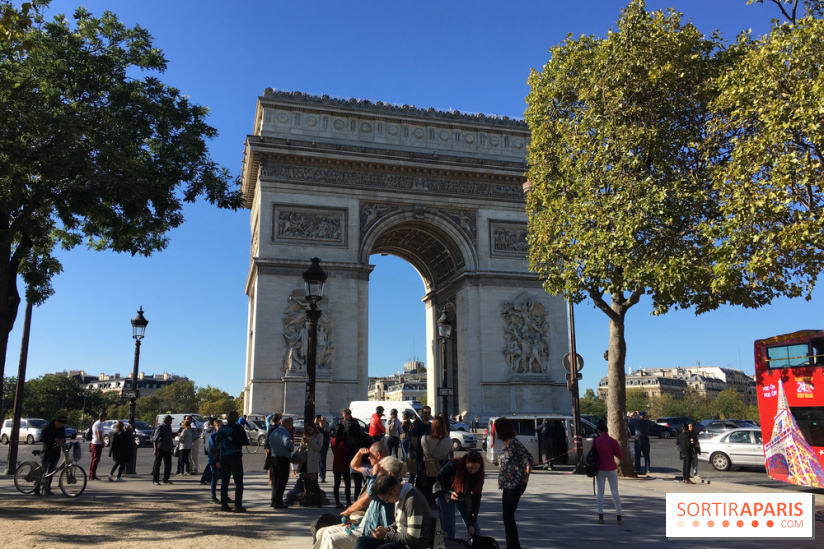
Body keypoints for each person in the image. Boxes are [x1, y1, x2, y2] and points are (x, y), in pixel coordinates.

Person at [312, 456, 405, 549]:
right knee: (324, 532)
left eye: (381, 471)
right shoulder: (386, 484)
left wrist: (373, 475)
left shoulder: (390, 489)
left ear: (390, 474)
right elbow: (354, 466)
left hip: (374, 533)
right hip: (365, 526)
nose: (368, 458)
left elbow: (372, 493)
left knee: (332, 538)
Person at [352, 474, 432, 549]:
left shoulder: (412, 500)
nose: (387, 502)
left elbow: (413, 538)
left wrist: (386, 535)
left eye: (386, 499)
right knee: (362, 542)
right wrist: (387, 529)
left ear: (394, 490)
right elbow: (400, 522)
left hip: (413, 545)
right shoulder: (400, 493)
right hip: (401, 539)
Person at [495, 417, 533, 549]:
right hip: (507, 484)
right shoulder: (506, 443)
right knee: (507, 516)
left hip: (515, 483)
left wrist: (526, 477)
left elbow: (529, 458)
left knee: (508, 515)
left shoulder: (513, 442)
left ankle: (513, 546)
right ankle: (512, 545)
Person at [435, 451, 485, 541]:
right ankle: (449, 544)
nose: (473, 471)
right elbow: (439, 477)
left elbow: (476, 500)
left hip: (462, 495)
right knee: (449, 525)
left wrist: (472, 523)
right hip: (446, 492)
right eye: (470, 468)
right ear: (465, 464)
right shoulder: (454, 464)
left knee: (473, 525)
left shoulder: (479, 476)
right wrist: (450, 492)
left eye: (476, 468)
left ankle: (478, 543)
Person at [216, 410, 249, 512]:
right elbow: (245, 441)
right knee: (238, 481)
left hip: (223, 456)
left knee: (224, 482)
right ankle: (238, 505)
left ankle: (224, 504)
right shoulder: (238, 428)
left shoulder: (223, 428)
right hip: (235, 456)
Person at [594, 420, 623, 525]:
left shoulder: (596, 441)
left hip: (600, 469)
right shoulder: (613, 441)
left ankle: (600, 515)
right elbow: (620, 456)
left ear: (599, 431)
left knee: (600, 492)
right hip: (611, 468)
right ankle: (619, 516)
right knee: (615, 492)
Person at [420, 416, 452, 507]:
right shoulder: (447, 440)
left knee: (429, 484)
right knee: (442, 484)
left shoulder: (424, 439)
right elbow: (450, 450)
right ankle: (441, 502)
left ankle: (430, 502)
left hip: (429, 465)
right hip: (443, 465)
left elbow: (424, 451)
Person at [268, 416, 295, 509]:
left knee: (275, 480)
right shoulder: (284, 432)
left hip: (274, 457)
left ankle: (274, 500)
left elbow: (270, 442)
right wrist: (291, 446)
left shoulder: (274, 432)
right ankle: (278, 502)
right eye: (290, 425)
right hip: (283, 458)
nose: (291, 427)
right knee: (282, 480)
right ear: (287, 425)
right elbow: (287, 443)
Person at [37, 416, 66, 496]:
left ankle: (47, 488)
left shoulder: (62, 428)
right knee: (43, 470)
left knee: (52, 471)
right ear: (56, 421)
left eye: (62, 424)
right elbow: (42, 438)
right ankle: (37, 488)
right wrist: (53, 440)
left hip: (56, 452)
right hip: (47, 451)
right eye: (60, 423)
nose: (61, 425)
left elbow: (64, 438)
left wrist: (61, 440)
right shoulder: (48, 427)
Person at [409, 406, 432, 491]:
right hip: (420, 455)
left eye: (429, 413)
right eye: (425, 413)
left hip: (430, 455)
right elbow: (414, 440)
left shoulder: (431, 425)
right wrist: (419, 450)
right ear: (422, 414)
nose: (427, 414)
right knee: (420, 475)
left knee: (428, 475)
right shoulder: (418, 425)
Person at [152, 414, 175, 485]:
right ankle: (155, 480)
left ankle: (166, 479)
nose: (171, 421)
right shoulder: (161, 427)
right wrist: (155, 449)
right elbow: (155, 439)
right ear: (166, 420)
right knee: (157, 464)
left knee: (168, 464)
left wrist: (172, 447)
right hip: (160, 447)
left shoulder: (169, 427)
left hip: (167, 448)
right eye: (170, 420)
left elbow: (170, 438)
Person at [204, 418, 221, 502]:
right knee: (214, 478)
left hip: (222, 459)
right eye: (218, 425)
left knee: (222, 478)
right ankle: (213, 496)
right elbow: (212, 450)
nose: (220, 427)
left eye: (221, 425)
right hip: (213, 460)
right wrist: (216, 460)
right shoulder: (213, 436)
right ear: (215, 426)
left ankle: (224, 495)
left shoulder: (222, 435)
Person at [88, 411, 107, 480]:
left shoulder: (95, 423)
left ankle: (91, 474)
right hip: (97, 443)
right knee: (96, 459)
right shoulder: (100, 424)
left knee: (93, 459)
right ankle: (93, 474)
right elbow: (99, 435)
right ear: (103, 417)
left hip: (93, 442)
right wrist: (103, 442)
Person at [316, 415, 331, 483]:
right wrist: (314, 422)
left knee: (322, 462)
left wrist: (323, 423)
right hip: (316, 447)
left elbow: (327, 430)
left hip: (323, 447)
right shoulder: (316, 427)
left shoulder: (326, 426)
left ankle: (323, 477)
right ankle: (318, 474)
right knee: (316, 462)